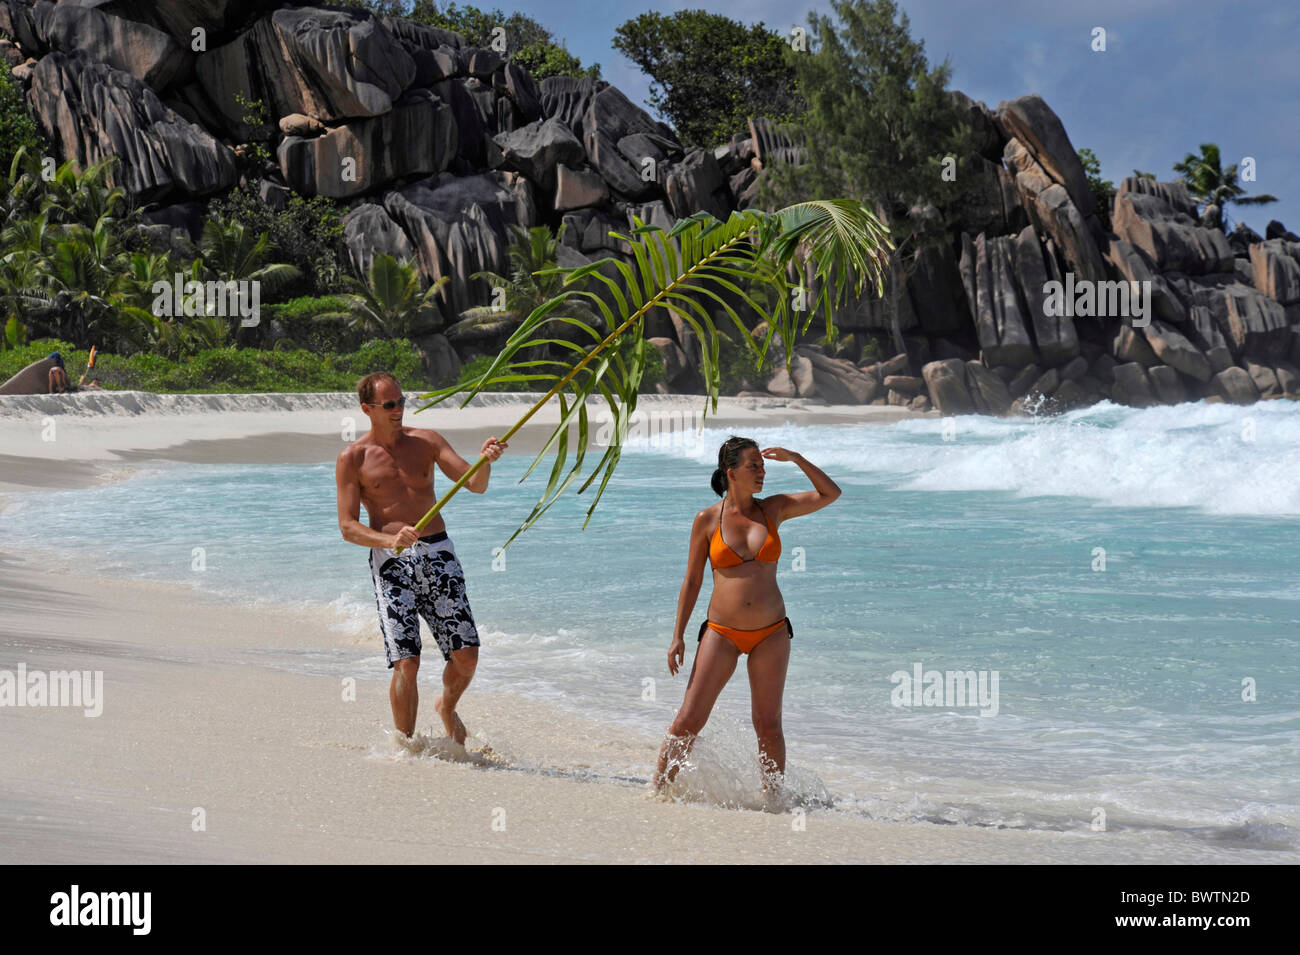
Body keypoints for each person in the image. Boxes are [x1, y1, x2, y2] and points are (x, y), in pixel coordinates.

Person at [653, 436, 841, 796]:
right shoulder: (707, 520)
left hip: (771, 633)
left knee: (768, 725)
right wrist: (678, 635)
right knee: (689, 720)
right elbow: (692, 580)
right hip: (721, 632)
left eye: (763, 465)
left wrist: (797, 457)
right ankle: (658, 792)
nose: (762, 472)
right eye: (753, 465)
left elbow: (830, 493)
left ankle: (774, 802)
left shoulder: (774, 509)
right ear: (731, 472)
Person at [335, 372, 507, 744]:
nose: (399, 410)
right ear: (367, 409)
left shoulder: (427, 442)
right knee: (407, 662)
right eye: (389, 405)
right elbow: (348, 527)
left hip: (438, 553)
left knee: (467, 656)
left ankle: (445, 706)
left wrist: (485, 460)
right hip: (391, 563)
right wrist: (388, 539)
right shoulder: (353, 458)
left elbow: (475, 484)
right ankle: (406, 747)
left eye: (401, 401)